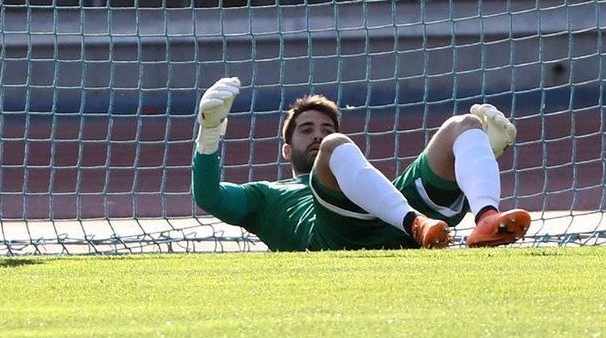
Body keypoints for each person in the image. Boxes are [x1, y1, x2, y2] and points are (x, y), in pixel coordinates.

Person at [191, 76, 532, 251]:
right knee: (336, 147)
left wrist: (474, 154)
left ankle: (486, 219)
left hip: (390, 213)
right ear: (285, 149)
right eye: (306, 130)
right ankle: (418, 224)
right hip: (336, 234)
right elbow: (209, 197)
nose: (317, 136)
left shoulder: (361, 177)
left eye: (326, 128)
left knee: (463, 125)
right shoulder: (263, 196)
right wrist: (209, 133)